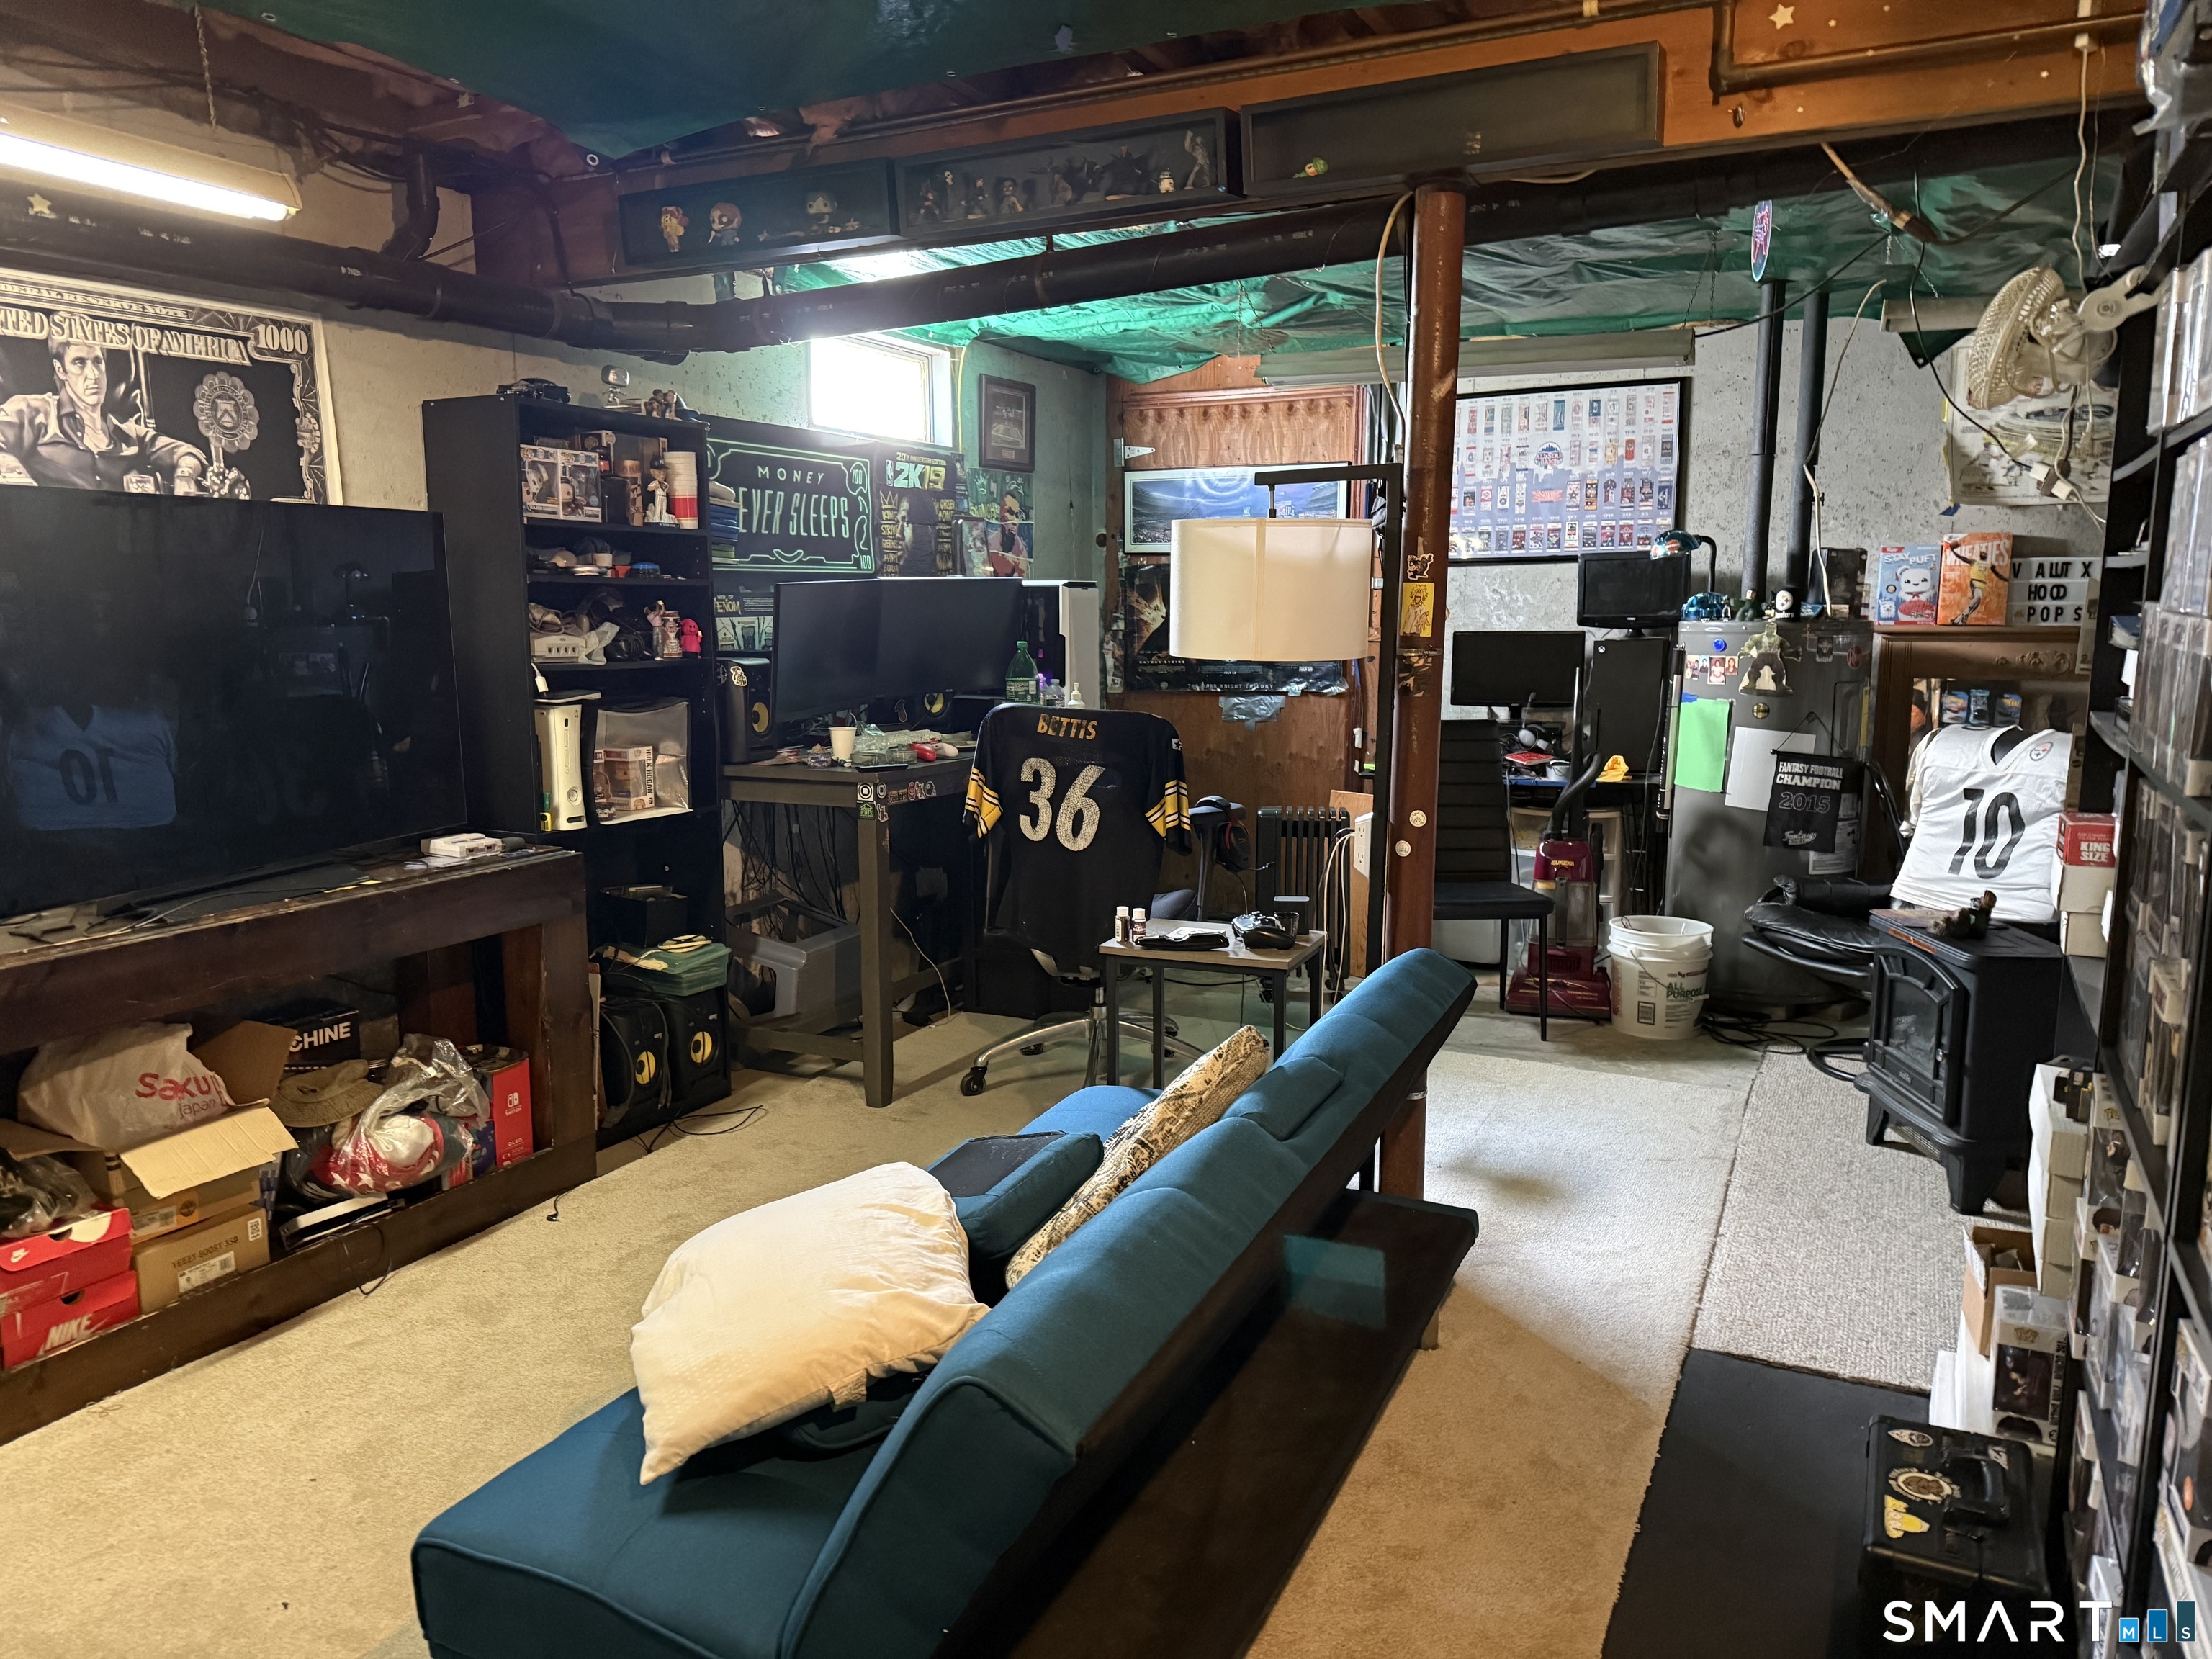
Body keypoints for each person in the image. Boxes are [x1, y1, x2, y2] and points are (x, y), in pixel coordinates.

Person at [0, 325, 210, 493]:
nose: (93, 375)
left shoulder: (128, 432)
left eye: (98, 362)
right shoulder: (33, 411)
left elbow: (187, 452)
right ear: (61, 369)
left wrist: (184, 476)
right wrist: (23, 489)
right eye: (80, 363)